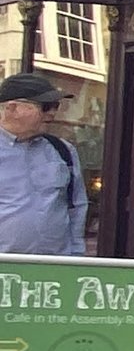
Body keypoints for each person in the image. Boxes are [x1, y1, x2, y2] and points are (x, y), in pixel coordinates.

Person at [0, 73, 85, 257]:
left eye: (56, 106)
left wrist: (77, 257)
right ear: (12, 108)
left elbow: (77, 206)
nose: (52, 113)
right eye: (45, 106)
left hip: (54, 270)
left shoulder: (63, 150)